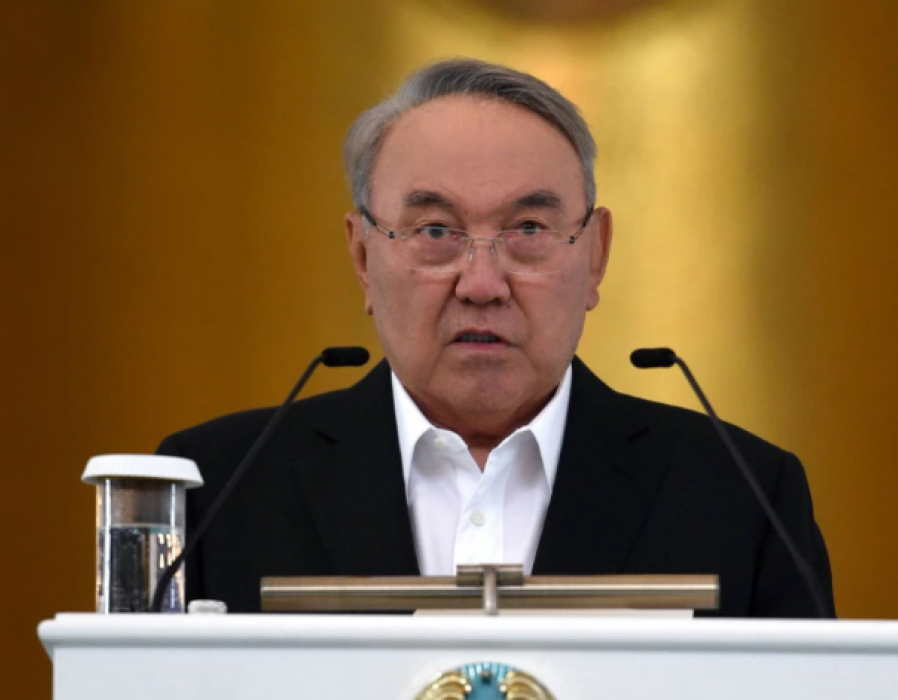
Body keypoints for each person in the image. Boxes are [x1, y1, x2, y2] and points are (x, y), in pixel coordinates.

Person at [157, 58, 834, 617]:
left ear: (595, 256)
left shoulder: (745, 498)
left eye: (528, 231)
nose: (482, 284)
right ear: (363, 256)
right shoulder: (214, 493)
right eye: (435, 231)